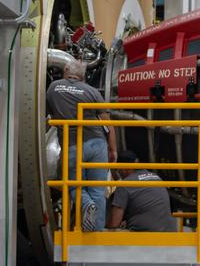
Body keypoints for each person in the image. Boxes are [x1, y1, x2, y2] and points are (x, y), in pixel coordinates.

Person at [46, 60, 116, 232]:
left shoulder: (54, 87)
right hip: (98, 144)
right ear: (82, 76)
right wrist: (113, 149)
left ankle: (86, 204)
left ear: (66, 71)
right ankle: (96, 232)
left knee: (73, 185)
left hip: (72, 145)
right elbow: (109, 124)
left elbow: (48, 117)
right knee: (98, 190)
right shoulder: (91, 91)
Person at [107, 149, 174, 232]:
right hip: (171, 235)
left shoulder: (125, 184)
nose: (119, 174)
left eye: (119, 170)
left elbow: (114, 224)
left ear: (125, 168)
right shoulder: (156, 178)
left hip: (145, 237)